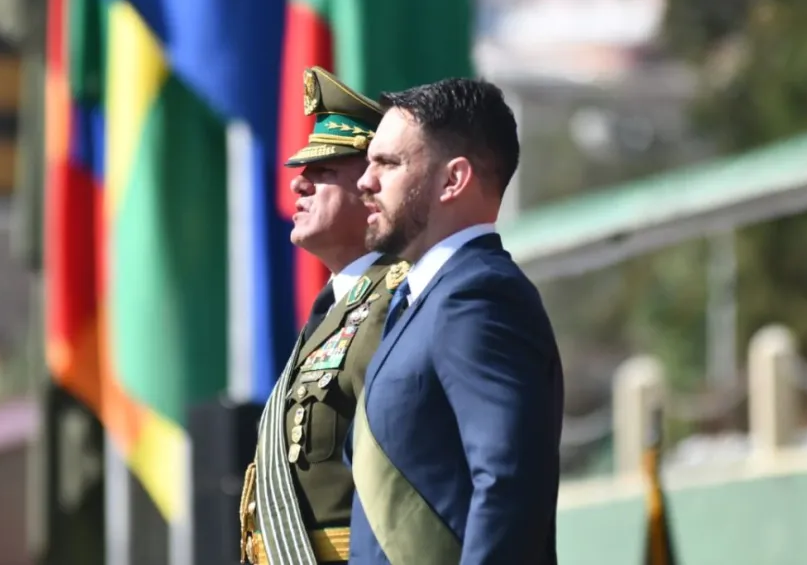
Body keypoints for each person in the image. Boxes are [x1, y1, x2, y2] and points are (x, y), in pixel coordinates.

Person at [347, 77, 564, 564]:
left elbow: (508, 480)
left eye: (388, 163)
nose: (365, 181)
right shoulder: (419, 303)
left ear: (453, 180)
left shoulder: (479, 295)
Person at [240, 66, 410, 565]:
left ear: (371, 187)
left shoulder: (393, 303)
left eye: (323, 172)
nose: (299, 186)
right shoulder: (332, 311)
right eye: (302, 171)